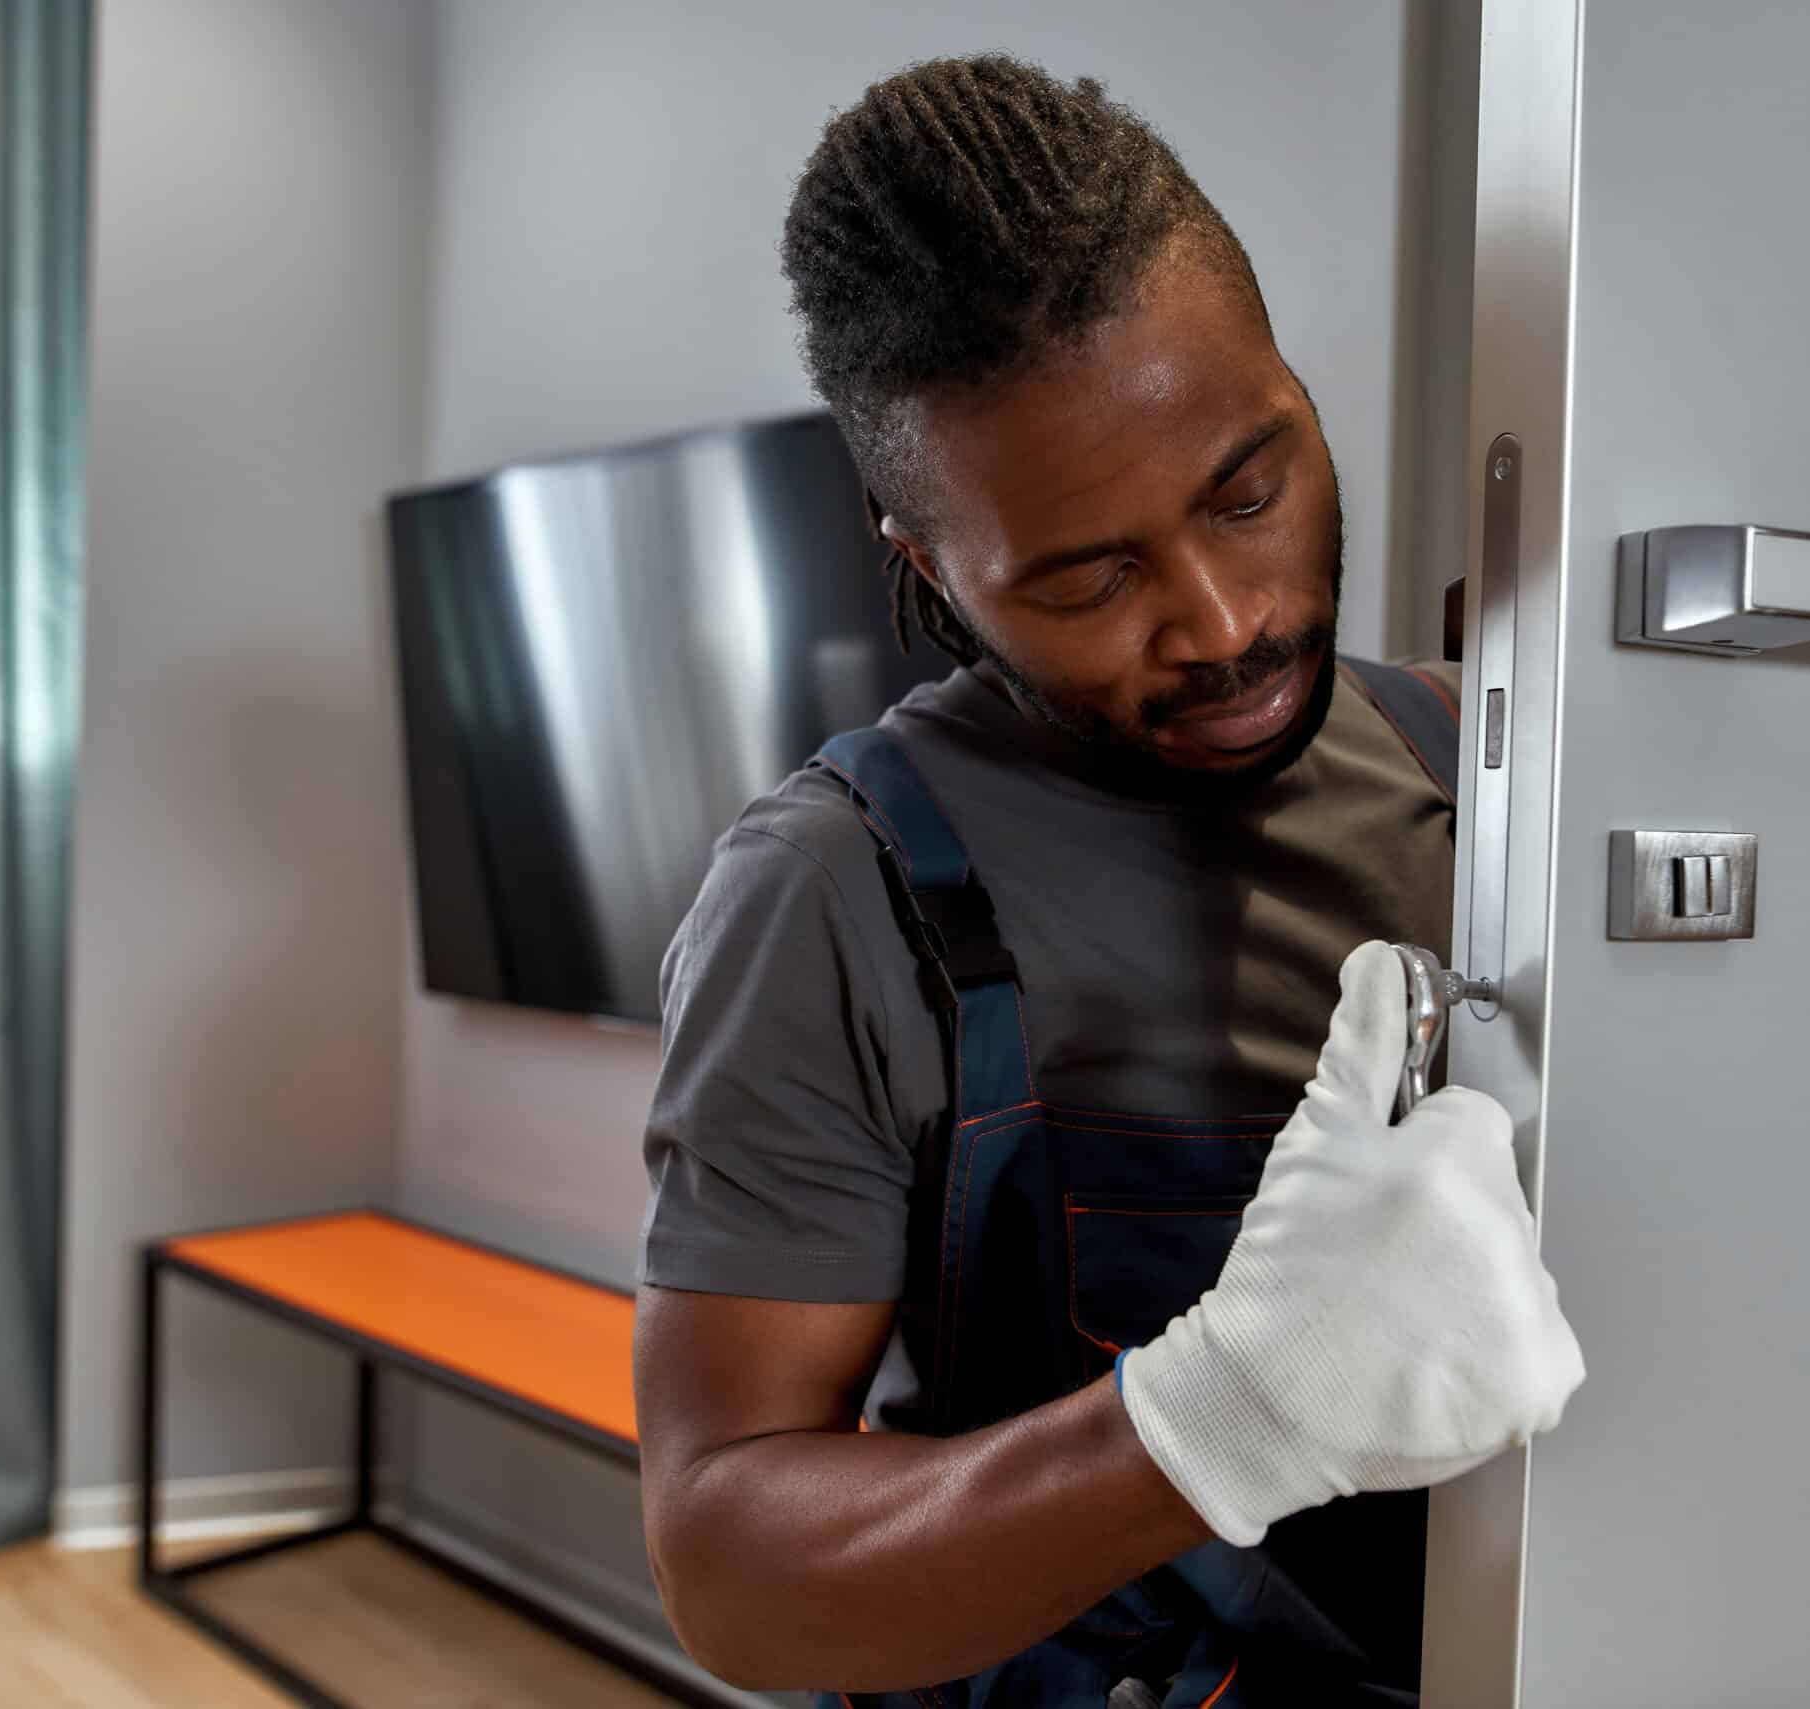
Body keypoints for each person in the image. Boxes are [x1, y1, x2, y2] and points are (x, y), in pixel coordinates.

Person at [632, 55, 1583, 1708]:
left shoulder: (1476, 762)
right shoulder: (838, 894)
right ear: (932, 571)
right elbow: (730, 1569)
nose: (1221, 619)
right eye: (1089, 574)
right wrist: (1225, 1412)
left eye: (1248, 488)